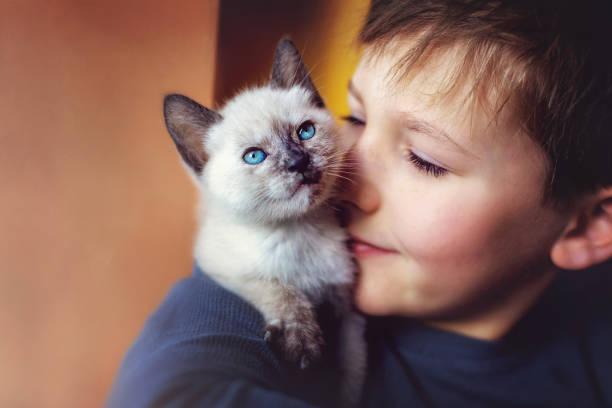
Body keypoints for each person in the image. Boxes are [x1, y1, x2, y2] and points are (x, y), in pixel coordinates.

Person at [107, 0, 612, 406]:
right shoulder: (237, 300)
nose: (344, 176)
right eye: (355, 117)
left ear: (586, 225)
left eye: (425, 160)